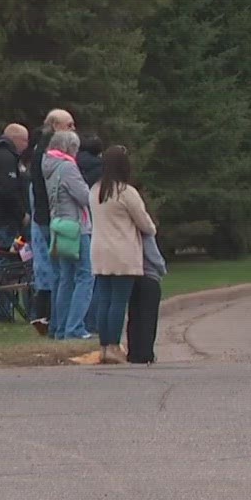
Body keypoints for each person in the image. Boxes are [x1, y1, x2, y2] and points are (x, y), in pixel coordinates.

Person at [86, 145, 155, 364]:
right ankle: (115, 346)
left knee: (104, 299)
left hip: (99, 248)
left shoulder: (95, 191)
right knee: (118, 301)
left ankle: (105, 346)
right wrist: (152, 229)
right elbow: (144, 222)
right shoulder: (125, 192)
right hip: (123, 250)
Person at [43, 128, 95, 342]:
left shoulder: (49, 165)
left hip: (59, 224)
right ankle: (75, 327)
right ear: (68, 148)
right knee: (85, 276)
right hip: (76, 226)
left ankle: (61, 327)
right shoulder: (68, 167)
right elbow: (84, 197)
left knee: (65, 277)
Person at [25, 111, 73, 330]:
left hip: (43, 215)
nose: (72, 129)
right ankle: (52, 316)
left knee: (49, 266)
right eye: (68, 125)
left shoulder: (38, 149)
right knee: (59, 268)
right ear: (55, 125)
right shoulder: (50, 152)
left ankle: (46, 314)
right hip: (52, 216)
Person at [126, 232, 168, 365]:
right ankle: (146, 353)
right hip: (149, 277)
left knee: (135, 316)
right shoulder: (145, 233)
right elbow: (153, 256)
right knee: (148, 318)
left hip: (133, 277)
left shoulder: (127, 234)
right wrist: (162, 268)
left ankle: (133, 352)